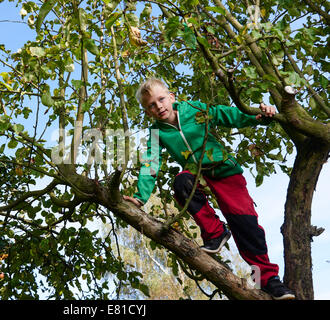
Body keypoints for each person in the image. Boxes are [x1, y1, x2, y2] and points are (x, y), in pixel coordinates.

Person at [123, 78, 295, 300]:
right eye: (151, 106)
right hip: (197, 175)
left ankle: (268, 279)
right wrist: (140, 197)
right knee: (181, 183)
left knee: (247, 227)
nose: (159, 107)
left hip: (224, 171)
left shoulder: (195, 109)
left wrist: (259, 117)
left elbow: (228, 115)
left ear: (172, 97)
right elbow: (150, 163)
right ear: (147, 112)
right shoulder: (156, 133)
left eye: (161, 99)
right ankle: (216, 233)